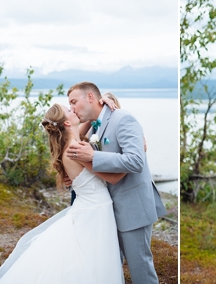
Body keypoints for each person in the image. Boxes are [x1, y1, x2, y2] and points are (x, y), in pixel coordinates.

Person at [0, 104, 125, 283]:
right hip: (94, 211)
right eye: (69, 110)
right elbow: (112, 178)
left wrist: (103, 99)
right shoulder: (75, 149)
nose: (73, 109)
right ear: (67, 123)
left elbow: (86, 123)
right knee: (94, 262)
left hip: (92, 208)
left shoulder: (72, 143)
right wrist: (136, 157)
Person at [65, 81, 166, 284]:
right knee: (111, 268)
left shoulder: (123, 118)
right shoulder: (94, 125)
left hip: (132, 208)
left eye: (74, 102)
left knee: (141, 270)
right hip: (105, 211)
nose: (72, 108)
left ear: (91, 97)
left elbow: (136, 161)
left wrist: (93, 157)